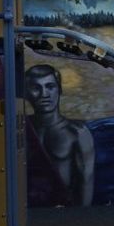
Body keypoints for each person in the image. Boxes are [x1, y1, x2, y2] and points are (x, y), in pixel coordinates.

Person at [22, 63, 95, 208]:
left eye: (50, 86)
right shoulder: (19, 128)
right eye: (36, 88)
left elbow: (86, 180)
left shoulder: (77, 133)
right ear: (26, 93)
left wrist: (80, 220)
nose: (44, 94)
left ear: (59, 89)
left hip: (61, 212)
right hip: (25, 212)